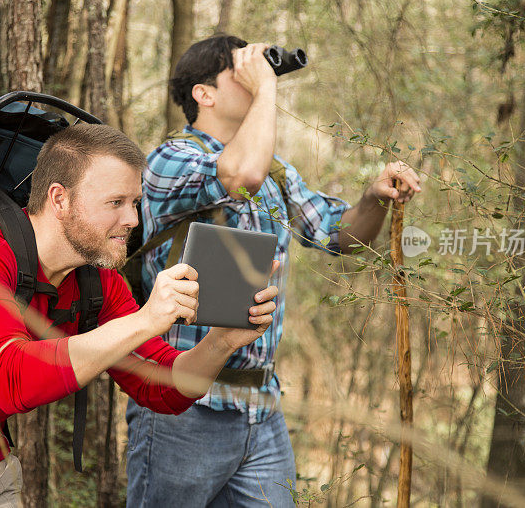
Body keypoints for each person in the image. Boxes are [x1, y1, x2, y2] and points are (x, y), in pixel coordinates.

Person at [0, 123, 278, 507]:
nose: (134, 220)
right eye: (115, 203)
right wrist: (145, 319)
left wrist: (221, 342)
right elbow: (8, 378)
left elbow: (162, 389)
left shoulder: (96, 283)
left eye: (135, 202)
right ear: (59, 199)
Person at [128, 34, 423, 507]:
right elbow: (239, 173)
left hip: (261, 407)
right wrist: (266, 87)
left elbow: (339, 236)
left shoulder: (276, 172)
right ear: (203, 94)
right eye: (239, 71)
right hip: (183, 408)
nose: (255, 76)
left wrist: (372, 197)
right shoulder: (171, 159)